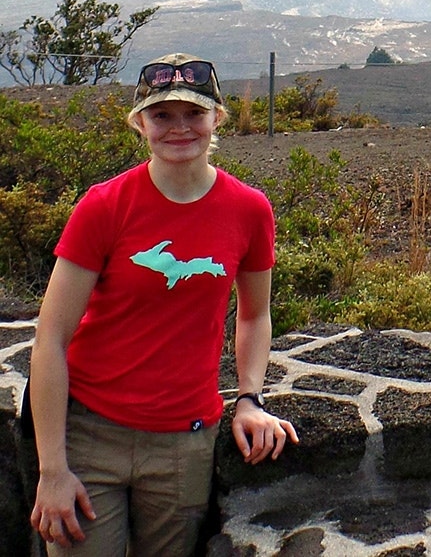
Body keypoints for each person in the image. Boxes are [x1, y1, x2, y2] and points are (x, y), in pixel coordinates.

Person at [28, 53, 299, 555]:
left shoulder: (249, 210)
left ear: (217, 118)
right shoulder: (105, 206)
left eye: (194, 113)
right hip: (89, 436)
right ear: (140, 123)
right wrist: (52, 470)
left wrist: (249, 398)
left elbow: (255, 314)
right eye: (162, 115)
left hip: (184, 444)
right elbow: (51, 339)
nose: (179, 128)